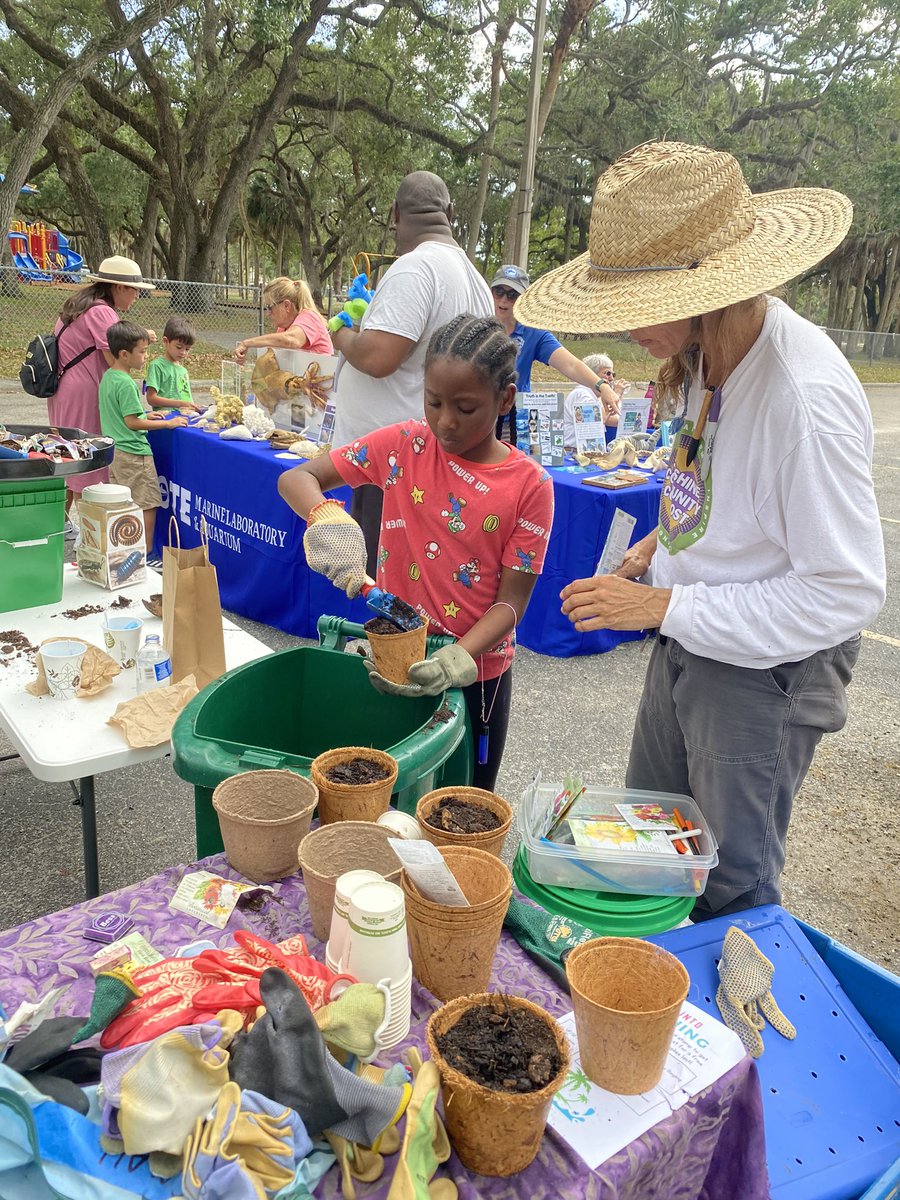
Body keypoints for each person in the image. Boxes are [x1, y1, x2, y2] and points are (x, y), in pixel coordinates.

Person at [516, 140, 886, 920]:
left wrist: (660, 608)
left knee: (729, 880)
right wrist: (657, 548)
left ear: (708, 289)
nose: (622, 334)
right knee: (650, 841)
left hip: (763, 674)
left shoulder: (800, 400)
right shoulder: (708, 355)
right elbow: (710, 490)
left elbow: (844, 591)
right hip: (693, 634)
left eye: (632, 311)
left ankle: (729, 1033)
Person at [278, 314, 554, 790]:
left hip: (476, 673)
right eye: (434, 402)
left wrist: (456, 659)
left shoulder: (529, 486)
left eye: (465, 408)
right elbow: (296, 478)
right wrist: (326, 518)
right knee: (388, 793)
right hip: (393, 653)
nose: (445, 422)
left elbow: (511, 603)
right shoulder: (405, 445)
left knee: (461, 799)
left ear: (504, 399)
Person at [329, 172, 494, 572]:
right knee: (418, 580)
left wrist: (343, 332)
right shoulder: (476, 282)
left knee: (384, 586)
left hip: (394, 465)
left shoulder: (415, 268)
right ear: (450, 213)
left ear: (394, 214)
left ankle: (385, 639)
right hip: (430, 460)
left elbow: (378, 358)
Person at [50, 255, 157, 504]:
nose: (137, 296)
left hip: (65, 387)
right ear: (118, 287)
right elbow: (116, 361)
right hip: (85, 392)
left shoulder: (81, 304)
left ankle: (62, 521)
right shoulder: (103, 313)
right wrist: (140, 342)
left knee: (68, 453)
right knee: (86, 457)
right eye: (134, 290)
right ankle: (87, 527)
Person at [489, 265, 620, 446]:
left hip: (518, 422)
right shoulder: (479, 326)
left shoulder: (534, 333)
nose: (504, 299)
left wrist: (602, 386)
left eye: (513, 295)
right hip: (479, 418)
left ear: (524, 299)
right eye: (499, 291)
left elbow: (571, 364)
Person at [99, 321, 187, 551]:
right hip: (134, 453)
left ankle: (122, 548)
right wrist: (168, 424)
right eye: (142, 351)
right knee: (147, 504)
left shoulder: (109, 376)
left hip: (116, 452)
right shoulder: (127, 383)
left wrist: (149, 414)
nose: (146, 356)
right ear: (124, 354)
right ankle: (146, 554)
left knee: (122, 503)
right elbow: (132, 422)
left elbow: (123, 414)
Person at [233, 277, 333, 363]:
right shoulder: (283, 328)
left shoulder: (309, 318)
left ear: (286, 305)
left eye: (269, 307)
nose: (267, 313)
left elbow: (291, 340)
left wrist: (247, 343)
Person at [563, 353, 630, 449]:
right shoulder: (582, 393)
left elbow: (618, 416)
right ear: (592, 374)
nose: (611, 378)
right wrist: (616, 394)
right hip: (573, 450)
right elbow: (596, 421)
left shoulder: (593, 395)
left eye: (613, 374)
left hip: (585, 449)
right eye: (607, 373)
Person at [145, 316, 200, 412]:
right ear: (166, 341)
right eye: (179, 347)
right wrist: (180, 404)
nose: (183, 352)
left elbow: (187, 398)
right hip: (165, 420)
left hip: (183, 418)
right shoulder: (157, 366)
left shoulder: (183, 370)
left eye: (187, 349)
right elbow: (151, 399)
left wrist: (193, 407)